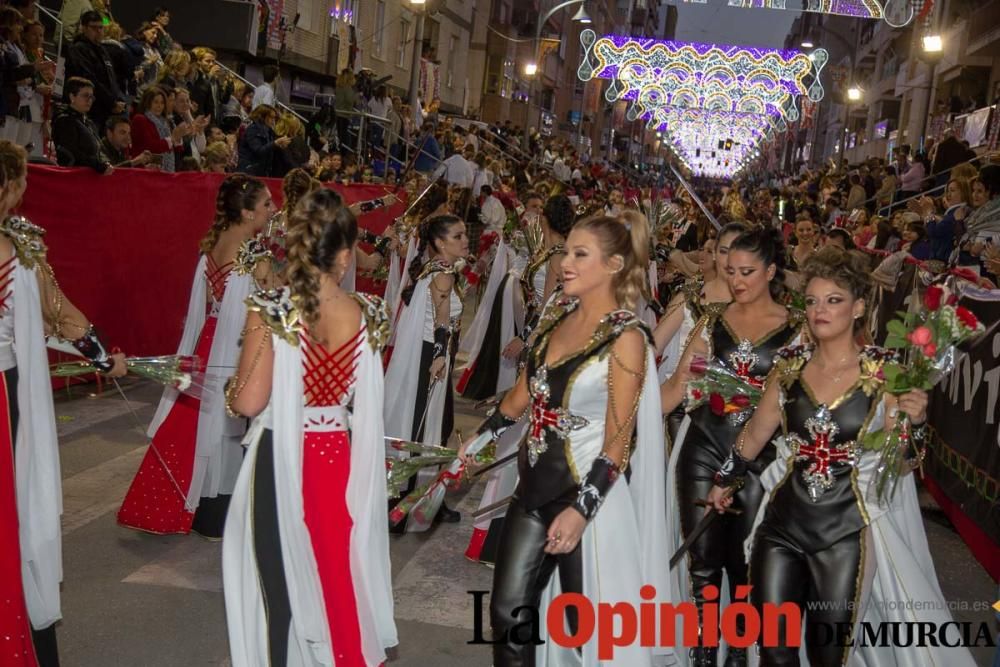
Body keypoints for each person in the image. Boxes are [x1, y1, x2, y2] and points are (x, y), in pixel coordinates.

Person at [707, 247, 977, 667]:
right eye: (812, 301)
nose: (820, 311)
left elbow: (900, 460)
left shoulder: (884, 372)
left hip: (845, 533)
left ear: (858, 308)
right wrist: (725, 477)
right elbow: (757, 433)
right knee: (774, 651)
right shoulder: (789, 366)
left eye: (833, 300)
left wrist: (916, 422)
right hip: (781, 528)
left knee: (828, 654)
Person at [457, 213, 671, 665]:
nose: (565, 262)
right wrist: (473, 447)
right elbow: (520, 399)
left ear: (613, 265)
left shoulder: (626, 338)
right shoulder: (556, 322)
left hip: (588, 502)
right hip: (532, 493)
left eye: (579, 254)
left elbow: (619, 441)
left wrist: (581, 511)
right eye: (566, 251)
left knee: (586, 635)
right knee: (508, 615)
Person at [223, 189, 397, 667]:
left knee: (278, 582)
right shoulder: (366, 314)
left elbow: (249, 400)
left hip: (282, 457)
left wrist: (229, 392)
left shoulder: (273, 309)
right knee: (334, 571)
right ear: (344, 254)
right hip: (335, 455)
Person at [0, 140, 125, 667]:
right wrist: (104, 357)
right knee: (12, 513)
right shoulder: (18, 252)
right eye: (23, 180)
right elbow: (62, 316)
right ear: (6, 189)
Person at [660, 227, 803, 667]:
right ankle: (704, 650)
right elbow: (679, 386)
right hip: (702, 447)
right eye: (731, 270)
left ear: (772, 271)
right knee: (702, 559)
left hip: (760, 459)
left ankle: (738, 650)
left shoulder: (797, 327)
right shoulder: (712, 318)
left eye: (748, 272)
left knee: (745, 561)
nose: (737, 280)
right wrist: (624, 417)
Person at [117, 175, 275, 538]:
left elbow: (206, 306)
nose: (272, 210)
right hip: (236, 346)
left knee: (201, 427)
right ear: (248, 211)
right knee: (227, 425)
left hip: (208, 341)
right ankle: (222, 508)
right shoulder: (255, 259)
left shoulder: (214, 248)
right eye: (266, 204)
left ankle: (203, 507)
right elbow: (270, 310)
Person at [384, 214, 470, 531]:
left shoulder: (436, 269)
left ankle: (423, 500)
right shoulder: (442, 274)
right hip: (430, 358)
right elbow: (442, 319)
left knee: (432, 426)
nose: (465, 240)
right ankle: (402, 507)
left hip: (431, 355)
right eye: (458, 236)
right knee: (420, 430)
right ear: (439, 242)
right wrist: (439, 354)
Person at [65, 10, 127, 130]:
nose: (99, 31)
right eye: (94, 28)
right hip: (91, 110)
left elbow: (112, 80)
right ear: (83, 28)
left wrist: (117, 100)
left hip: (107, 110)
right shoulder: (78, 49)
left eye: (101, 28)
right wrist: (111, 102)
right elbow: (89, 79)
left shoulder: (102, 50)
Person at [52, 76, 112, 174]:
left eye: (91, 97)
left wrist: (105, 162)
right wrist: (98, 165)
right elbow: (72, 152)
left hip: (89, 175)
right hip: (72, 177)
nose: (89, 100)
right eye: (85, 95)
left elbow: (99, 150)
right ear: (72, 97)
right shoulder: (64, 120)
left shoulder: (88, 122)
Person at [129, 86, 189, 173]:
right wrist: (172, 138)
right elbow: (150, 147)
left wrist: (179, 136)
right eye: (155, 102)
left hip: (165, 171)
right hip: (144, 171)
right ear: (147, 102)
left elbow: (176, 150)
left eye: (162, 103)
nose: (159, 106)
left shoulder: (165, 122)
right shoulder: (140, 119)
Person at [915, 177, 969, 262]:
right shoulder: (952, 212)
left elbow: (934, 232)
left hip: (945, 260)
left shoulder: (959, 211)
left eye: (952, 190)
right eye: (947, 191)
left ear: (964, 192)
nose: (948, 195)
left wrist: (929, 213)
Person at [236, 104, 291, 177]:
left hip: (261, 171)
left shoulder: (269, 131)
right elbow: (258, 150)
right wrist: (275, 143)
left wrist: (279, 146)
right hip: (249, 170)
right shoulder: (253, 129)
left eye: (274, 118)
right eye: (271, 117)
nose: (273, 120)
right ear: (262, 116)